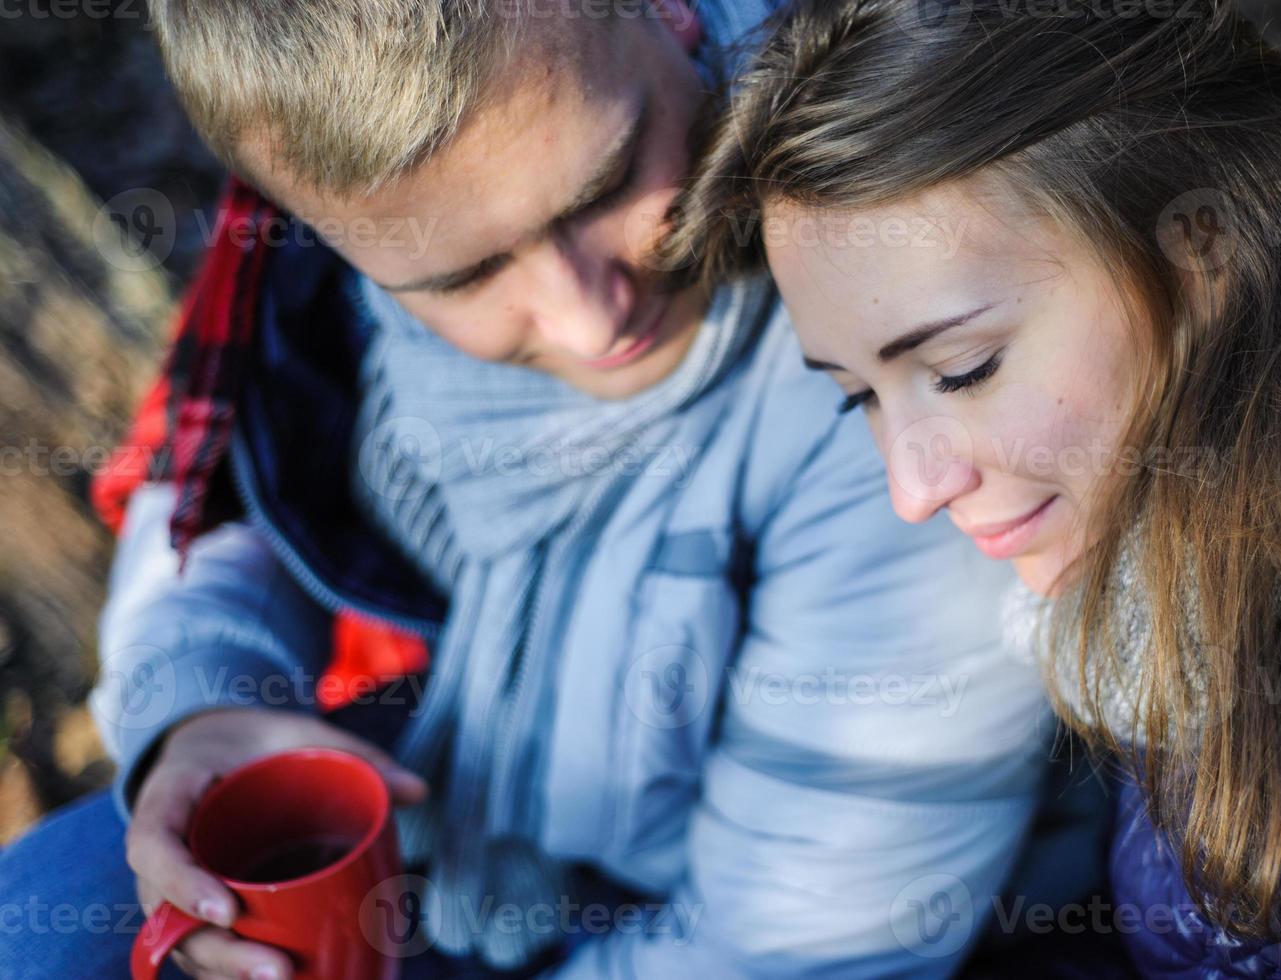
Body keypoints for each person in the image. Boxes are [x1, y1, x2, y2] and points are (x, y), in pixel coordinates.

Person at [0, 0, 1092, 977]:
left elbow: (802, 941)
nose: (590, 318)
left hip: (720, 913)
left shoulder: (873, 345)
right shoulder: (360, 202)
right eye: (466, 277)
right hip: (460, 806)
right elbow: (234, 485)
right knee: (48, 921)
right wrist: (201, 707)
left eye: (607, 183)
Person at [672, 0, 1281, 974]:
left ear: (1207, 249)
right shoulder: (1227, 596)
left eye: (965, 368)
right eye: (860, 400)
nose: (912, 489)